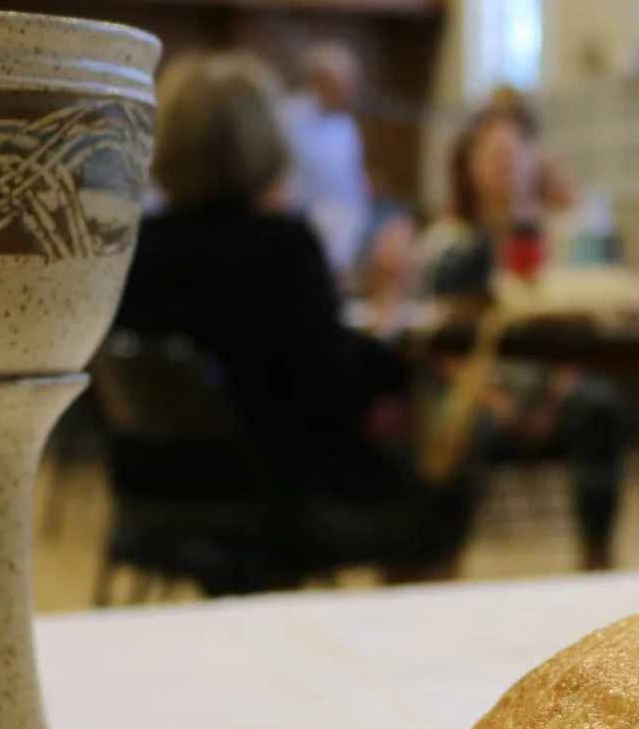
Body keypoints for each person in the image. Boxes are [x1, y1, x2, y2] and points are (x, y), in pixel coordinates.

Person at [113, 52, 465, 584]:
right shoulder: (281, 248)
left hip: (154, 493)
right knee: (448, 477)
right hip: (284, 497)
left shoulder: (133, 251)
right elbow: (339, 394)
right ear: (266, 142)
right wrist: (389, 309)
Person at [416, 106, 628, 571]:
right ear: (470, 164)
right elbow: (439, 346)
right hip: (479, 390)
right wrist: (495, 402)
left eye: (516, 151)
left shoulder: (565, 239)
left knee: (599, 407)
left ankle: (597, 560)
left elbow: (584, 332)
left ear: (536, 159)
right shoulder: (450, 244)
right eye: (493, 152)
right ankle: (440, 563)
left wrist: (555, 396)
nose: (506, 161)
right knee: (451, 423)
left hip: (553, 391)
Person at [278, 41, 373, 278]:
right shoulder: (289, 118)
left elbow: (353, 173)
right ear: (319, 81)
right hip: (303, 227)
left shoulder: (345, 123)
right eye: (344, 84)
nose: (350, 92)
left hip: (346, 232)